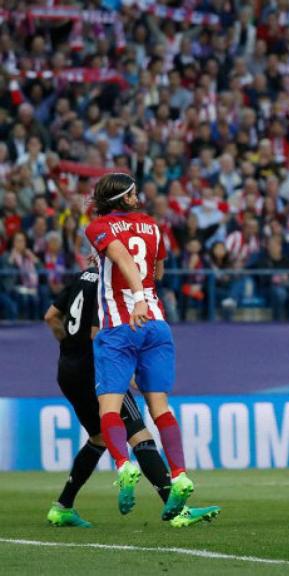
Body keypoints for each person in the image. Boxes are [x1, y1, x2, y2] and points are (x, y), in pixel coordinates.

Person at [42, 267, 220, 528]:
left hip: (68, 370)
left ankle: (62, 507)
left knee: (99, 438)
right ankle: (178, 510)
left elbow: (51, 317)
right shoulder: (107, 284)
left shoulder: (83, 276)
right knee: (140, 435)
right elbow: (95, 334)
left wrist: (69, 349)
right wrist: (124, 372)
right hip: (96, 370)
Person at [84, 173, 201, 521]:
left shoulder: (98, 228)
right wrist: (144, 293)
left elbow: (120, 255)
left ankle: (123, 465)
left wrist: (133, 296)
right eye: (133, 192)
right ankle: (179, 474)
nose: (138, 196)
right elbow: (158, 270)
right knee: (160, 406)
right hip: (156, 324)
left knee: (109, 406)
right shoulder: (152, 226)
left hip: (121, 325)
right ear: (124, 198)